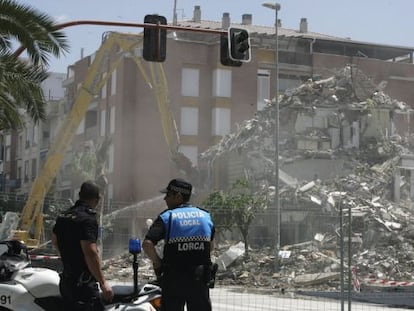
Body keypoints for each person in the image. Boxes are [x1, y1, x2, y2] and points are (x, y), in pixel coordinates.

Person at [143, 178, 215, 311]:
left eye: (168, 195)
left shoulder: (167, 217)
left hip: (174, 279)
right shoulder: (205, 216)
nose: (165, 199)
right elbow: (210, 246)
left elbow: (147, 244)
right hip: (199, 279)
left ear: (178, 196)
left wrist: (158, 263)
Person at [51, 181, 113, 311]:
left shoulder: (64, 216)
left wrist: (67, 257)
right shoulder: (87, 219)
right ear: (97, 199)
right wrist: (103, 283)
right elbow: (90, 253)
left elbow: (54, 240)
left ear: (79, 195)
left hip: (66, 281)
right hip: (83, 285)